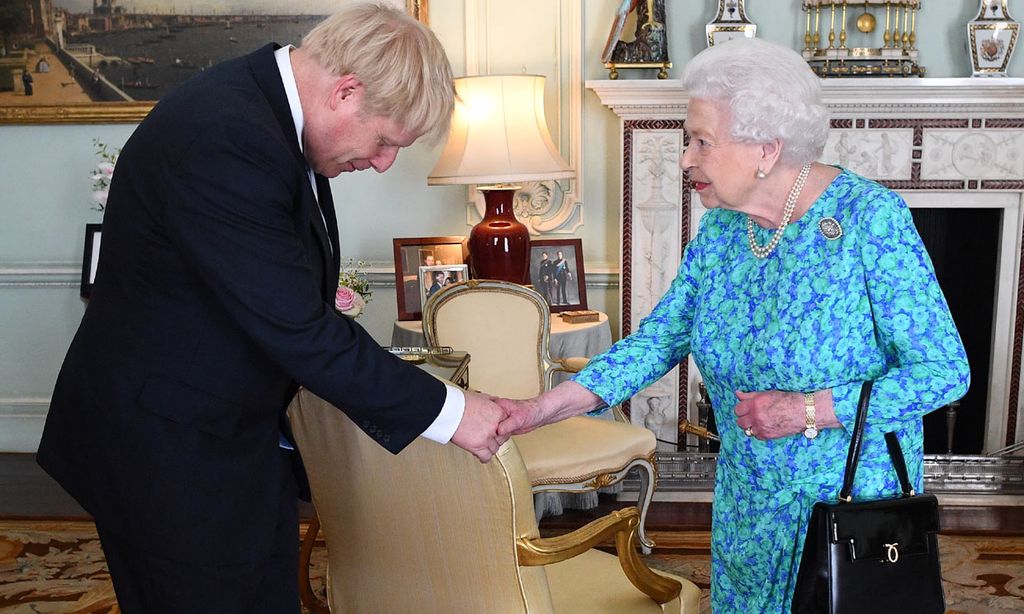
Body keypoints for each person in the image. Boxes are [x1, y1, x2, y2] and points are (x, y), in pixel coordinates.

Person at [37, 5, 508, 613]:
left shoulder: (268, 119)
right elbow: (299, 328)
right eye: (387, 141)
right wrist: (452, 412)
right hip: (166, 449)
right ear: (345, 91)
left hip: (221, 434)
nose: (384, 162)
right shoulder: (225, 135)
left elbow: (289, 304)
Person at [496, 38, 969, 614]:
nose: (685, 158)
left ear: (767, 149)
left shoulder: (870, 220)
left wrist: (807, 411)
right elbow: (657, 340)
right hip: (749, 503)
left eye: (701, 141)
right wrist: (540, 410)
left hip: (847, 507)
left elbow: (944, 372)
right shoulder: (724, 232)